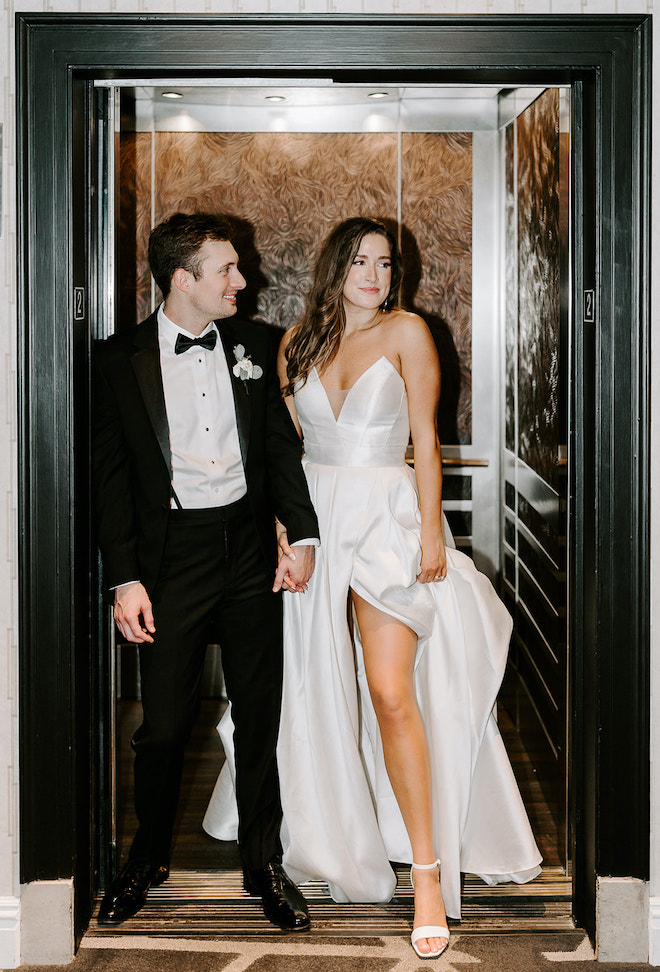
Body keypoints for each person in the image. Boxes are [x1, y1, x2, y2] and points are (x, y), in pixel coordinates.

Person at [203, 216, 542, 959]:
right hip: (317, 525)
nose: (374, 275)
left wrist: (430, 533)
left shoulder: (409, 333)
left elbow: (424, 437)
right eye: (360, 261)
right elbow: (283, 452)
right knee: (314, 691)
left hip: (388, 521)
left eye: (386, 265)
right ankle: (333, 838)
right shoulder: (297, 343)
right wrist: (285, 531)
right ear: (335, 267)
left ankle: (426, 874)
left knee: (392, 691)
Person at [92, 212, 320, 931]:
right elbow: (110, 479)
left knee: (260, 717)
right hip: (170, 561)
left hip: (249, 552)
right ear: (181, 279)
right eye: (226, 269)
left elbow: (282, 450)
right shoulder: (116, 360)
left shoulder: (258, 344)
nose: (241, 280)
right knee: (161, 728)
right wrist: (125, 578)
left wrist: (304, 533)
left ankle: (263, 863)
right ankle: (147, 857)